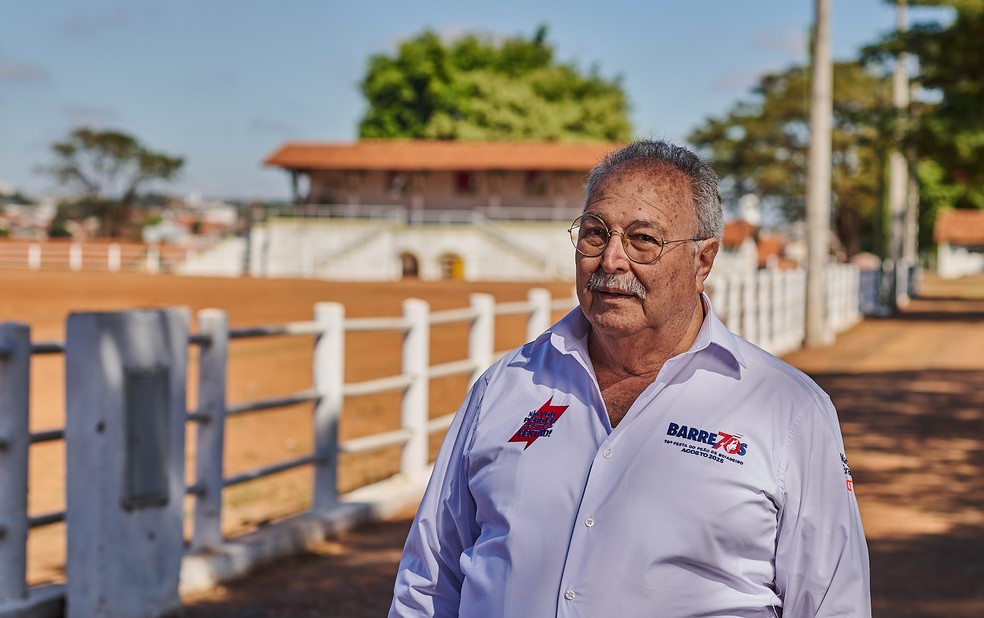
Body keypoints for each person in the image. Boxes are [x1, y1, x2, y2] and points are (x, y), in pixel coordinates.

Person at [389, 140, 871, 617]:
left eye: (644, 239)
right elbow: (428, 583)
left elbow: (834, 604)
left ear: (702, 261)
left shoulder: (787, 410)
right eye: (595, 234)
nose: (611, 260)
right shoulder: (507, 385)